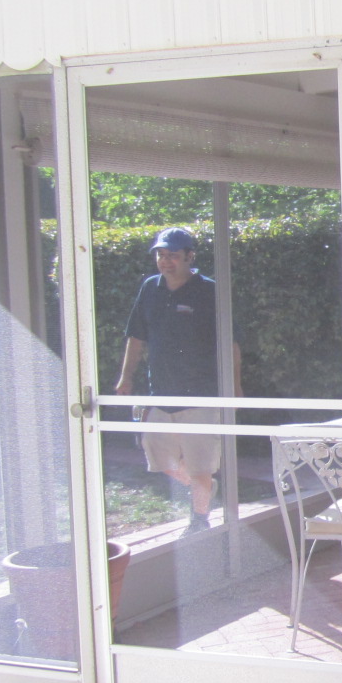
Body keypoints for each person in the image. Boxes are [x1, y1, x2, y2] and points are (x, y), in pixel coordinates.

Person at [115, 227, 241, 536]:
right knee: (158, 456)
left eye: (172, 255)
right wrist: (126, 377)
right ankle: (203, 487)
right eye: (161, 255)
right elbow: (136, 337)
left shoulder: (209, 291)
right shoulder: (150, 288)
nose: (165, 261)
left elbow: (231, 343)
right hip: (161, 394)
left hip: (202, 396)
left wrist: (235, 387)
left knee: (200, 466)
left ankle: (199, 518)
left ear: (189, 257)